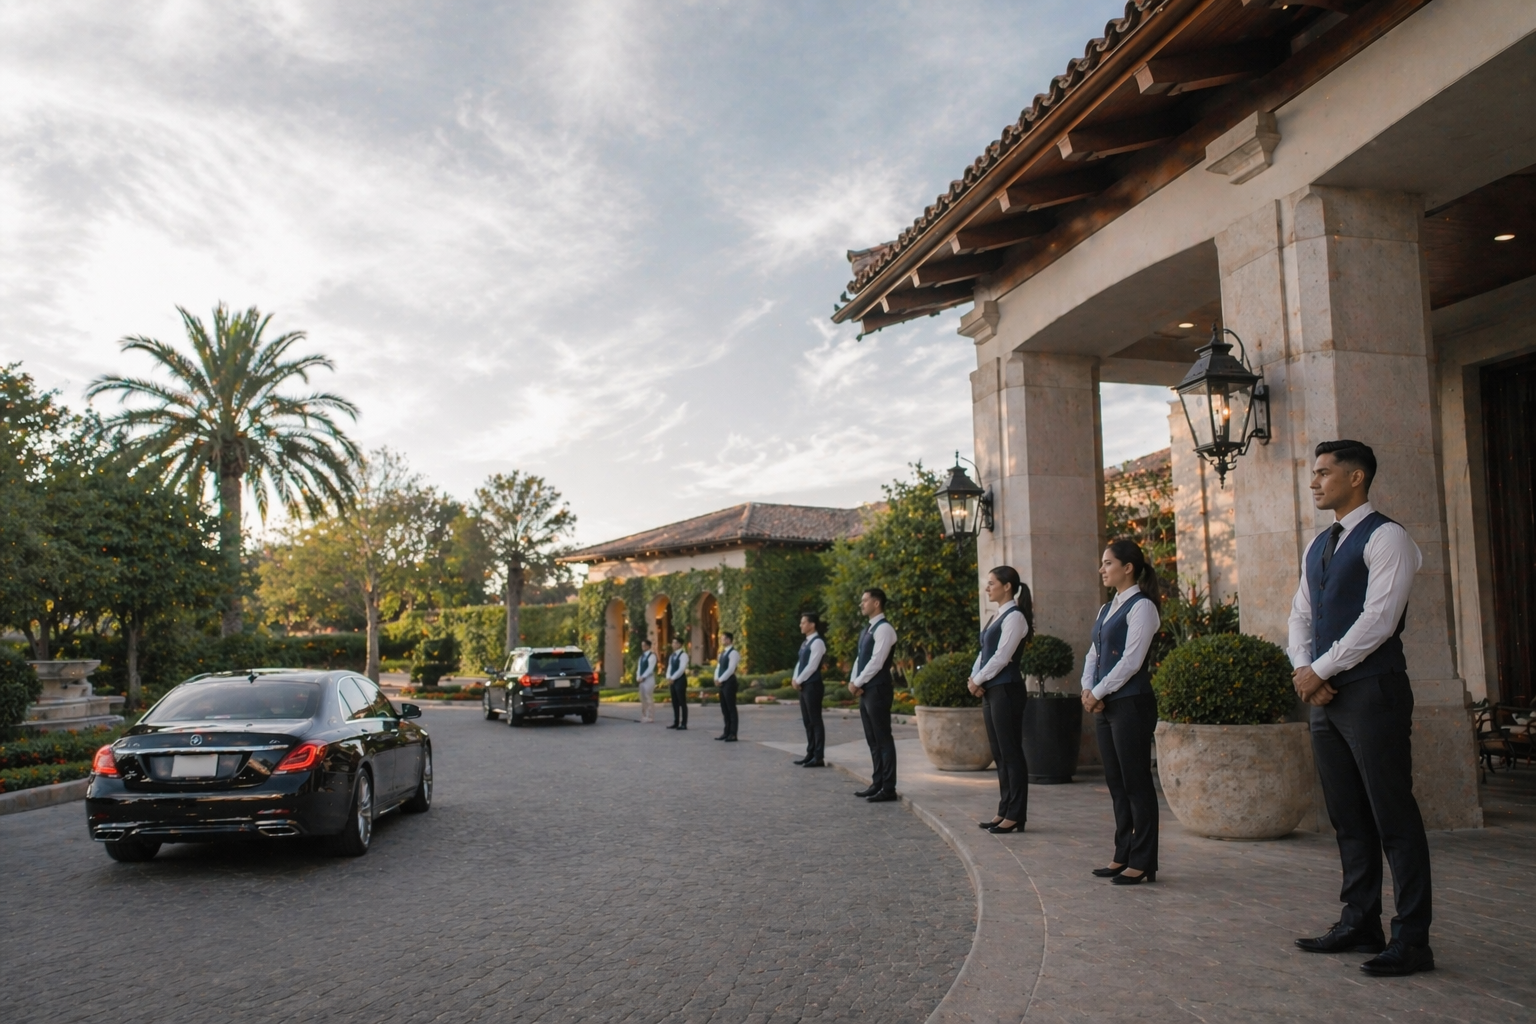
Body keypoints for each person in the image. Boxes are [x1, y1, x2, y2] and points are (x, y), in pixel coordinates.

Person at [1288, 440, 1433, 977]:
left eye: (1324, 473)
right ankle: (1359, 920)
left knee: (1393, 816)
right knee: (1348, 816)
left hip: (1374, 692)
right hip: (1326, 697)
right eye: (1313, 474)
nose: (1315, 482)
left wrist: (1320, 670)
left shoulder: (1388, 536)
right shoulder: (1319, 544)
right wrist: (1305, 671)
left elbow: (1379, 619)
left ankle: (1413, 939)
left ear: (1357, 477)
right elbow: (1300, 614)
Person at [1081, 539, 1162, 885]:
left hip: (1131, 702)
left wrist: (1097, 692)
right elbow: (1093, 654)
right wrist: (1087, 689)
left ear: (1128, 568)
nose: (1102, 569)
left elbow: (1132, 660)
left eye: (1107, 563)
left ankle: (1143, 860)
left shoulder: (1142, 607)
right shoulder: (1106, 609)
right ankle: (1122, 853)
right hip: (1105, 703)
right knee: (1116, 782)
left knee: (1136, 782)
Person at [968, 567, 1034, 834]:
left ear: (1007, 586)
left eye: (992, 583)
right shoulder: (997, 616)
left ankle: (1016, 814)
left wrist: (979, 680)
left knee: (1011, 752)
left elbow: (1003, 656)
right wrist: (974, 678)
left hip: (1006, 690)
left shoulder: (1016, 617)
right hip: (992, 690)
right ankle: (1004, 808)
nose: (987, 587)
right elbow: (984, 653)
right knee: (999, 753)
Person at [849, 588, 898, 802]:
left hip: (878, 689)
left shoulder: (884, 629)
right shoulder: (867, 629)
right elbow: (860, 659)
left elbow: (877, 662)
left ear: (876, 603)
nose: (862, 604)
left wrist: (858, 682)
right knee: (872, 739)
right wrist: (854, 682)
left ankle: (888, 787)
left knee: (883, 738)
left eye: (865, 600)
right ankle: (877, 781)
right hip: (866, 689)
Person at [791, 613, 827, 767]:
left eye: (803, 622)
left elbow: (812, 666)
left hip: (812, 685)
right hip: (803, 685)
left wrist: (799, 680)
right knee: (807, 721)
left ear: (812, 624)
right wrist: (795, 678)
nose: (801, 625)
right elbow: (800, 663)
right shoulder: (805, 642)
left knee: (815, 720)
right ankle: (810, 752)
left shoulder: (818, 642)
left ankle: (818, 756)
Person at [714, 631, 741, 742]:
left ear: (729, 640)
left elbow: (731, 669)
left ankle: (733, 733)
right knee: (724, 708)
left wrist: (720, 679)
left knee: (731, 708)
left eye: (724, 638)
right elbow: (718, 667)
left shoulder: (733, 653)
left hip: (729, 682)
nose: (722, 640)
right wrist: (716, 678)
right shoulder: (722, 653)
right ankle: (726, 731)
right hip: (721, 682)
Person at [664, 637, 689, 730]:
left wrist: (673, 678)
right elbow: (669, 667)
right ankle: (676, 721)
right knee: (674, 702)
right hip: (672, 681)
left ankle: (684, 723)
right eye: (673, 642)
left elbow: (681, 669)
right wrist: (668, 677)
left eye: (675, 643)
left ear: (679, 644)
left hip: (680, 680)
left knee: (682, 702)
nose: (673, 644)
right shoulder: (672, 655)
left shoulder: (683, 655)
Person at [635, 639, 657, 723]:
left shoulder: (652, 656)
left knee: (648, 697)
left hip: (649, 678)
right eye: (642, 645)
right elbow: (639, 668)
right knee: (643, 698)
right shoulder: (641, 657)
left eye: (644, 645)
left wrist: (643, 676)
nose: (643, 647)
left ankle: (650, 716)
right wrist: (638, 676)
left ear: (648, 646)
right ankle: (644, 715)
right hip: (641, 679)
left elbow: (650, 668)